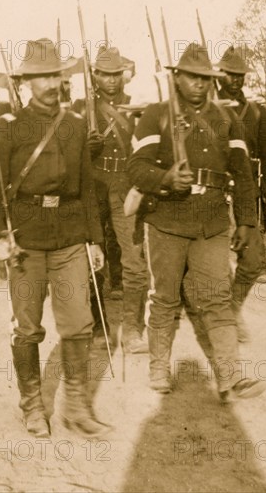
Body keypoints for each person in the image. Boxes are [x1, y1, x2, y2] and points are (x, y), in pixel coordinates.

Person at [0, 38, 110, 438]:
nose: (51, 83)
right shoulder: (9, 127)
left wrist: (95, 240)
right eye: (42, 77)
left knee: (78, 324)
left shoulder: (74, 126)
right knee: (28, 327)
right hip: (25, 239)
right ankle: (33, 405)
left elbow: (87, 189)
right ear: (27, 82)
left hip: (69, 235)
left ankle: (76, 407)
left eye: (55, 74)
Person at [128, 42, 265, 401]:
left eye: (205, 78)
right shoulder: (156, 115)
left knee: (217, 298)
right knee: (165, 298)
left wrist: (247, 221)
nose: (200, 84)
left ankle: (230, 378)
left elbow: (244, 174)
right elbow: (135, 168)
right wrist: (165, 179)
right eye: (192, 77)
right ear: (177, 77)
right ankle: (159, 366)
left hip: (213, 221)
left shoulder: (227, 119)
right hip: (167, 220)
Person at [74, 46, 149, 353]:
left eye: (116, 74)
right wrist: (85, 147)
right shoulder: (81, 107)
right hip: (93, 187)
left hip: (125, 186)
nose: (111, 80)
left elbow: (146, 149)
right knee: (93, 258)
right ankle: (97, 324)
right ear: (95, 76)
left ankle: (131, 329)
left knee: (134, 262)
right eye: (105, 74)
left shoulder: (137, 106)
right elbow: (69, 157)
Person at [215, 46, 266, 340]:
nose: (235, 80)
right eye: (230, 74)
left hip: (246, 190)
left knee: (253, 260)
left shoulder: (257, 112)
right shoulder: (208, 108)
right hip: (214, 190)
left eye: (239, 75)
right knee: (212, 258)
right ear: (219, 75)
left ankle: (231, 309)